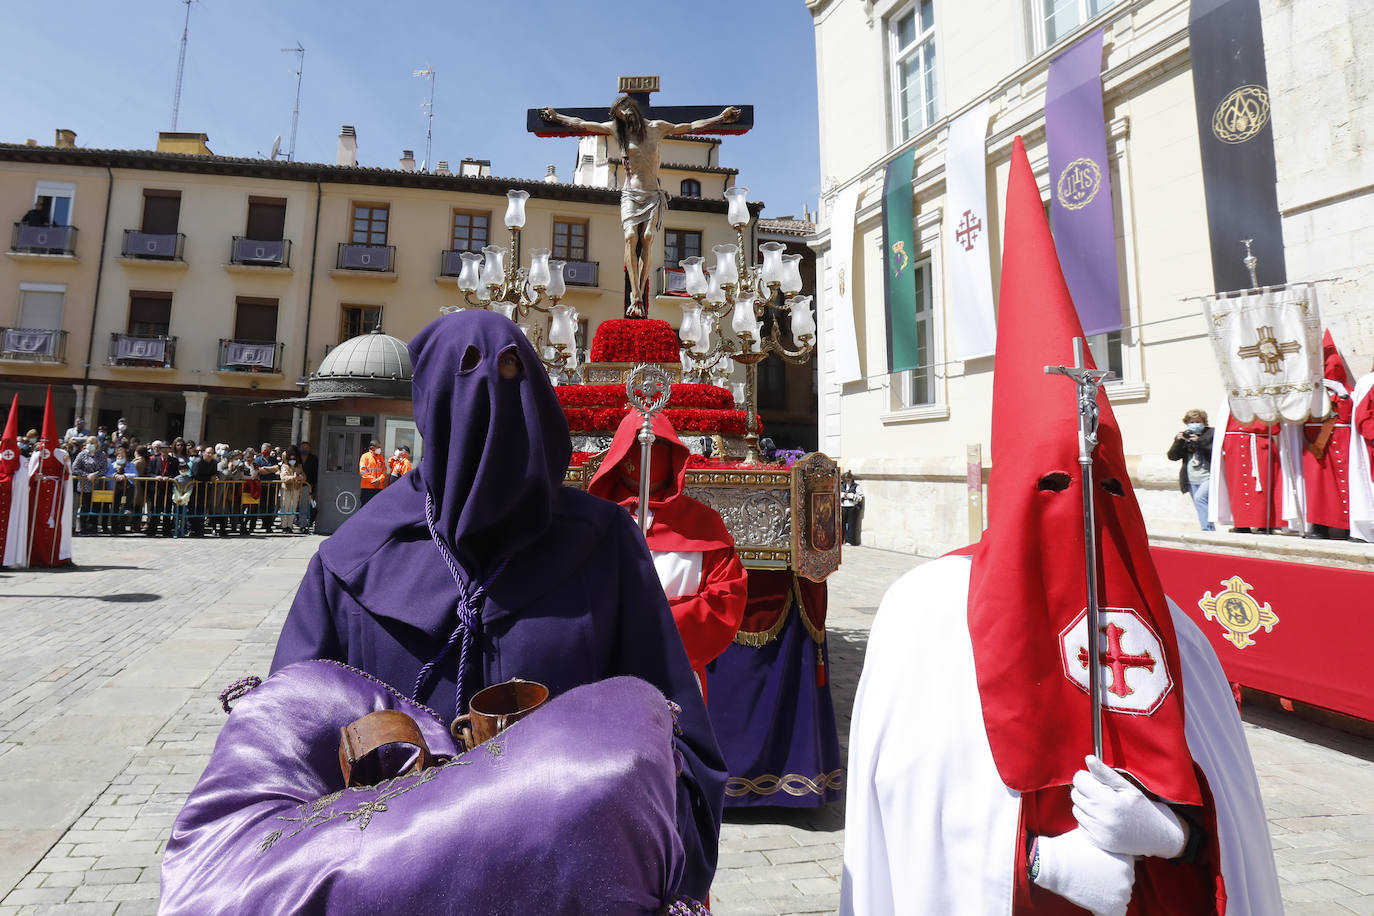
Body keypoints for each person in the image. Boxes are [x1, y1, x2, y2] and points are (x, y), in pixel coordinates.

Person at [841, 138, 1282, 916]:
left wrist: (1175, 836)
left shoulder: (1178, 633)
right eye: (1051, 482)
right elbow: (904, 818)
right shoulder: (925, 613)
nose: (1080, 504)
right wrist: (1036, 859)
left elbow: (1236, 835)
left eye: (1105, 484)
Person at [271, 310, 726, 902]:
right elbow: (290, 745)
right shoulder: (350, 562)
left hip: (569, 888)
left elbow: (676, 731)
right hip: (396, 888)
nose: (491, 386)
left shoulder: (604, 544)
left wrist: (653, 869)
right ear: (429, 397)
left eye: (512, 367)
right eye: (467, 370)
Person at [588, 412, 748, 697]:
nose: (646, 453)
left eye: (657, 445)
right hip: (601, 669)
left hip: (676, 674)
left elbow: (726, 600)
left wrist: (655, 625)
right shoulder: (592, 521)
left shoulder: (703, 525)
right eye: (636, 443)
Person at [540, 97, 741, 316]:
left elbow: (691, 126)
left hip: (652, 194)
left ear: (632, 106)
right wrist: (557, 117)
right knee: (630, 237)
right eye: (619, 114)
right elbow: (584, 124)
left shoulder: (657, 127)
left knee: (646, 238)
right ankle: (635, 295)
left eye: (625, 109)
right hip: (631, 194)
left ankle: (640, 292)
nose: (624, 115)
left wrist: (721, 118)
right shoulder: (619, 132)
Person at [1302, 330, 1354, 539]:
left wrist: (1342, 394)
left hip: (1342, 441)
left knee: (1346, 484)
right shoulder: (1309, 392)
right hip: (1316, 445)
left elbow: (1350, 416)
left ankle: (1351, 526)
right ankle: (1319, 526)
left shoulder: (1349, 390)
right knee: (1319, 488)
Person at [1166, 409, 1214, 531]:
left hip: (1208, 476)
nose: (1195, 424)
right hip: (1192, 478)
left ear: (1204, 422)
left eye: (1198, 421)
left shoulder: (1211, 434)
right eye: (1191, 422)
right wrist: (1178, 442)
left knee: (1200, 498)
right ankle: (1209, 527)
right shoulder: (1185, 435)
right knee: (1199, 503)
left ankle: (1206, 529)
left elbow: (1214, 451)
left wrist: (1199, 442)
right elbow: (1172, 456)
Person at [187, 446, 218, 537]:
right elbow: (195, 475)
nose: (210, 455)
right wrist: (209, 478)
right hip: (194, 488)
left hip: (205, 488)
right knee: (192, 508)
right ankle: (190, 529)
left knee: (201, 509)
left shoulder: (214, 463)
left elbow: (214, 474)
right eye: (208, 453)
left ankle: (199, 529)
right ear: (204, 453)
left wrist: (212, 478)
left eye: (212, 453)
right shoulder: (197, 462)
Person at [252, 442, 281, 532]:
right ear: (261, 450)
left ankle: (268, 526)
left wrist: (264, 468)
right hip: (261, 486)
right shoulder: (258, 459)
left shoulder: (273, 459)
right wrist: (269, 469)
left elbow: (276, 468)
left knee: (271, 506)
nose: (266, 451)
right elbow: (258, 470)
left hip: (271, 486)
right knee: (262, 506)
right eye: (264, 450)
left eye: (267, 450)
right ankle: (264, 524)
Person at [278, 445, 305, 533]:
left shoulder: (299, 466)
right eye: (291, 458)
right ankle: (284, 526)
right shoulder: (284, 466)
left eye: (294, 458)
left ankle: (290, 526)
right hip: (286, 489)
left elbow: (303, 476)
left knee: (293, 508)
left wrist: (301, 477)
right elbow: (283, 477)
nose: (293, 460)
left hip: (296, 489)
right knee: (285, 507)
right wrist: (293, 477)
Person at [358, 438, 387, 506]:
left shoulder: (381, 458)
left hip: (379, 488)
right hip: (367, 488)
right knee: (365, 508)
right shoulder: (365, 457)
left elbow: (384, 471)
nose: (380, 449)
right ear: (372, 448)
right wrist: (373, 480)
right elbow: (363, 471)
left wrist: (379, 480)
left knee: (377, 509)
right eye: (378, 447)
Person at [298, 440, 318, 531]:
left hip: (308, 486)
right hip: (295, 486)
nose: (304, 449)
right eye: (303, 448)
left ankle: (305, 524)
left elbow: (316, 473)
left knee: (306, 506)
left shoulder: (314, 459)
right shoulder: (296, 458)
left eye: (306, 448)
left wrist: (312, 485)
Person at [840, 470, 865, 545]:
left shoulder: (856, 486)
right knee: (841, 524)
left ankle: (849, 540)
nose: (847, 480)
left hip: (852, 507)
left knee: (851, 524)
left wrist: (851, 496)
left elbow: (860, 497)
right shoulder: (842, 485)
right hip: (843, 506)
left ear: (851, 479)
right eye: (845, 478)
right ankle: (841, 539)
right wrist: (843, 495)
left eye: (848, 478)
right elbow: (837, 494)